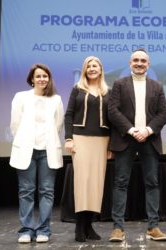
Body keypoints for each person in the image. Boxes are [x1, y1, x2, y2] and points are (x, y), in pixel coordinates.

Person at [108, 48, 166, 242]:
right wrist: (133, 130)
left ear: (148, 64)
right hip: (126, 139)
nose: (139, 63)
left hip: (149, 140)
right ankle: (118, 228)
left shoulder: (157, 86)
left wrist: (147, 130)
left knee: (152, 183)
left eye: (143, 60)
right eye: (136, 60)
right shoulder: (119, 84)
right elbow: (113, 111)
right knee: (120, 183)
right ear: (130, 63)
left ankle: (153, 227)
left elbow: (163, 113)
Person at [9, 63, 64, 244]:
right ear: (32, 79)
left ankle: (43, 230)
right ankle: (25, 230)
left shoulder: (56, 99)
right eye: (38, 76)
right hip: (26, 150)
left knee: (47, 191)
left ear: (49, 79)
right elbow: (15, 124)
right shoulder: (21, 97)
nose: (42, 79)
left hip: (47, 151)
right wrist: (26, 141)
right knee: (26, 191)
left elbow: (58, 125)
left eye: (45, 76)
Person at [64, 56, 112, 242]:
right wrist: (68, 138)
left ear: (101, 69)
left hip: (102, 140)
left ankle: (89, 225)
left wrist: (112, 144)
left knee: (96, 184)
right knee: (82, 182)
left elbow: (113, 120)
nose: (92, 68)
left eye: (95, 66)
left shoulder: (108, 91)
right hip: (80, 138)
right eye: (89, 66)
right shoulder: (77, 89)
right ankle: (79, 226)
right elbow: (68, 115)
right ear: (85, 70)